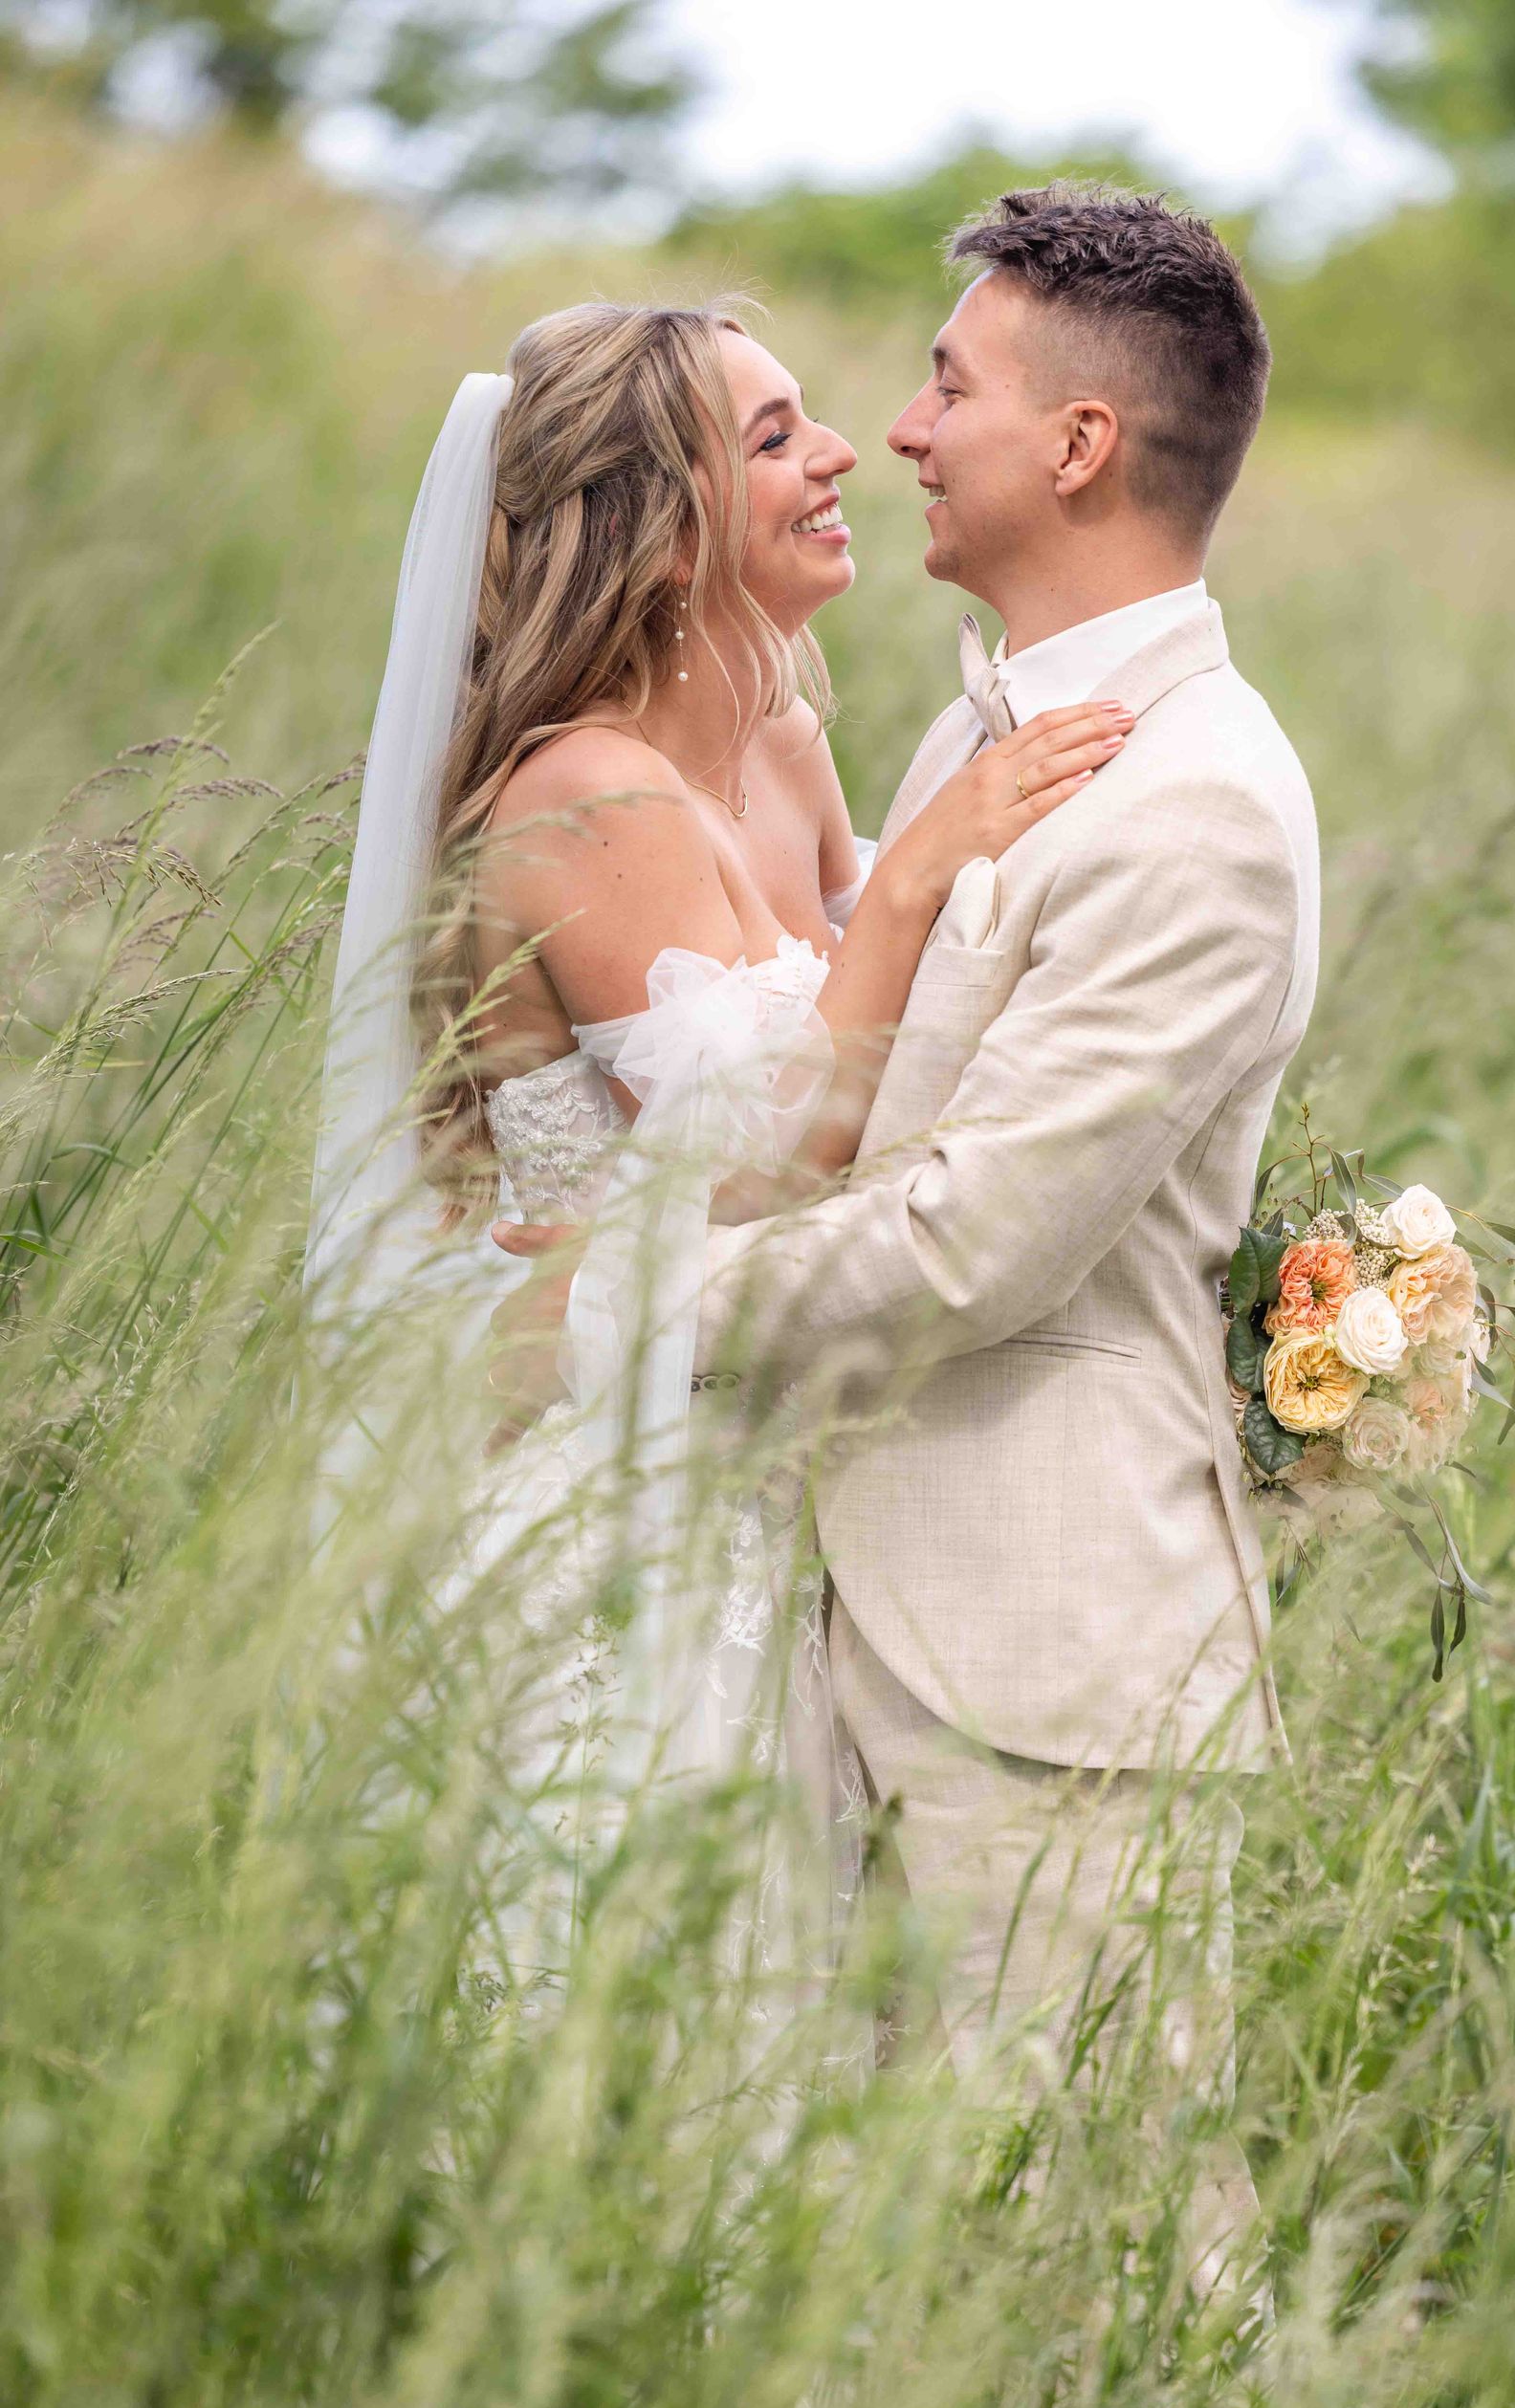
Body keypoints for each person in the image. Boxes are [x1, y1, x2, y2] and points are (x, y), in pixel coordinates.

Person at [500, 189, 1321, 2287]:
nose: (900, 424)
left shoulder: (1200, 800)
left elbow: (974, 1243)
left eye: (950, 381)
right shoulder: (975, 725)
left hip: (1045, 1664)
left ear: (1077, 448)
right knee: (869, 2275)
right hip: (837, 1617)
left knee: (1106, 2266)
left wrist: (617, 1313)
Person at [305, 297, 1130, 1993]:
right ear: (657, 528)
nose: (843, 454)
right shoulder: (575, 799)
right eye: (772, 437)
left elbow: (908, 1052)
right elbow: (759, 1166)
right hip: (618, 1511)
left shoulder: (782, 734)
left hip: (774, 1476)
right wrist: (908, 881)